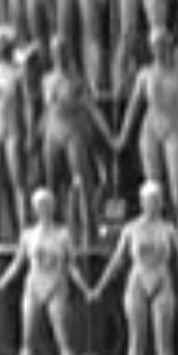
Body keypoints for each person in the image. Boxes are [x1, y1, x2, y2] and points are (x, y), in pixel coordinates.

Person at [86, 178, 178, 355]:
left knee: (164, 343)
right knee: (136, 340)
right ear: (142, 203)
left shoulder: (168, 229)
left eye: (156, 200)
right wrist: (99, 287)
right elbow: (117, 262)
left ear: (161, 203)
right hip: (137, 283)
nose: (152, 204)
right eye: (148, 200)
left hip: (162, 281)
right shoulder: (131, 229)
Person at [114, 24, 178, 257]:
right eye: (155, 46)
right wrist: (123, 135)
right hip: (150, 127)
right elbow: (133, 107)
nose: (159, 49)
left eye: (162, 45)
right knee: (152, 184)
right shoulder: (145, 74)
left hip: (174, 126)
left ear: (169, 46)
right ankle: (154, 231)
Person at [0, 188, 82, 355]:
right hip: (33, 287)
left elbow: (72, 265)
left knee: (63, 339)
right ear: (35, 209)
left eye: (47, 205)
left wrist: (85, 287)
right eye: (40, 206)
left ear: (53, 207)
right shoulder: (28, 235)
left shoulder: (63, 234)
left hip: (56, 285)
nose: (43, 209)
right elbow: (17, 264)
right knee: (28, 341)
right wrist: (1, 283)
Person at [37, 30, 113, 241]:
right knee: (51, 180)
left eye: (62, 51)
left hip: (73, 130)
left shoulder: (77, 80)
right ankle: (52, 228)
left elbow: (92, 109)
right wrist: (35, 134)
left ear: (67, 53)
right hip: (53, 130)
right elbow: (46, 111)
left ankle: (90, 230)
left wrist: (109, 135)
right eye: (55, 51)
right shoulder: (46, 80)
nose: (58, 55)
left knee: (82, 178)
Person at [0, 25, 32, 244]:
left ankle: (23, 233)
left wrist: (29, 132)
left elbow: (27, 103)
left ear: (8, 46)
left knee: (17, 180)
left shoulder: (19, 72)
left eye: (1, 44)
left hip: (12, 125)